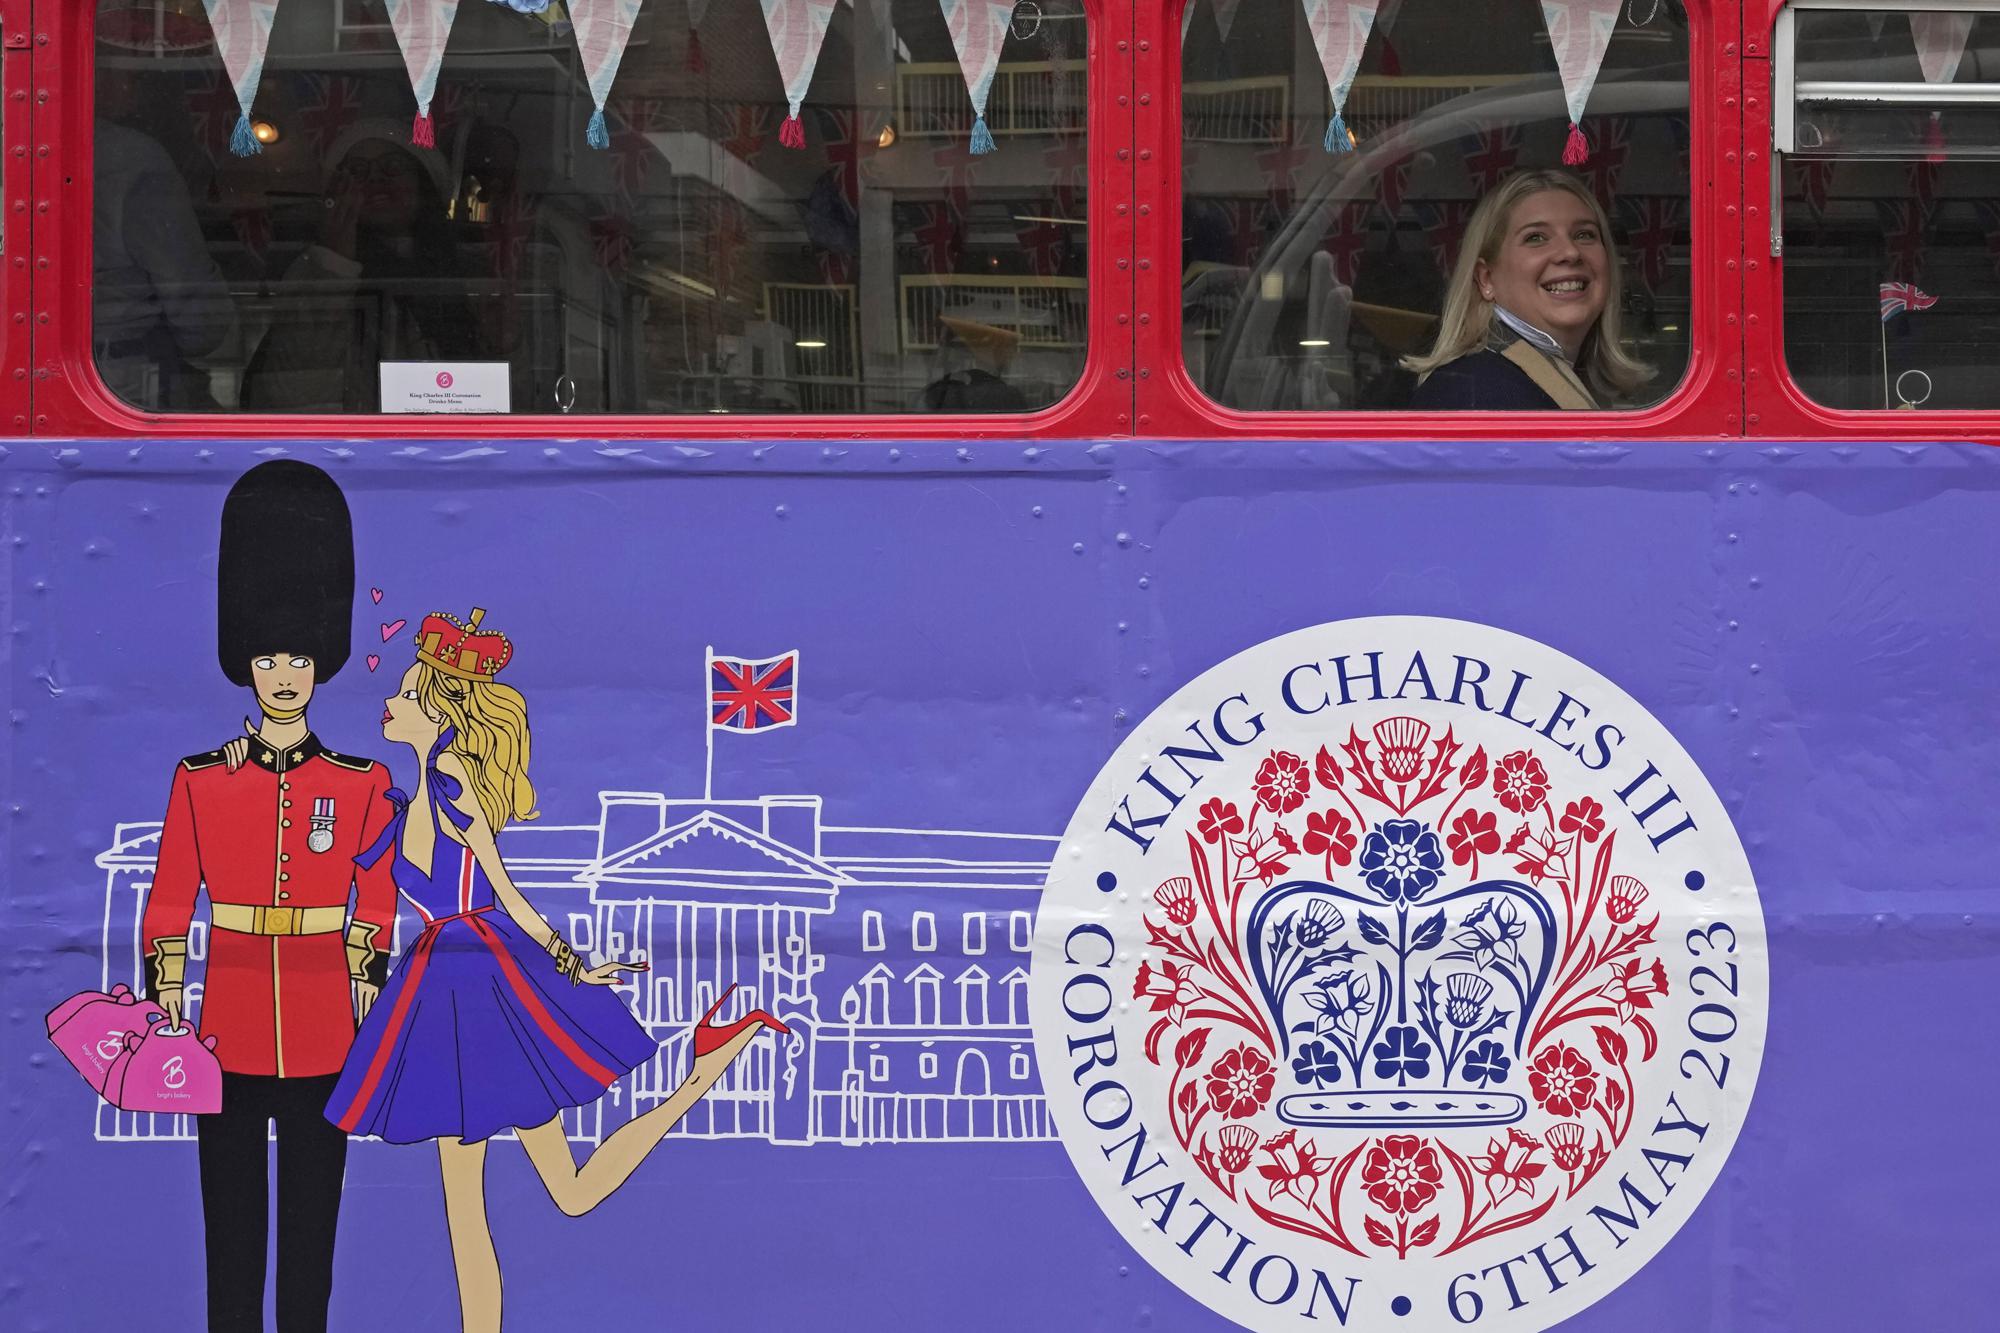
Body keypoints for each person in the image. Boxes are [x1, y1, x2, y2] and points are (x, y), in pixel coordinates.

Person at [240, 607, 783, 1333]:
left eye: (405, 693)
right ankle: (705, 1065)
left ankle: (699, 1074)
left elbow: (503, 887)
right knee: (473, 1208)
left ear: (439, 708)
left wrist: (572, 963)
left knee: (565, 1192)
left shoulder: (454, 780)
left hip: (488, 987)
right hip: (436, 991)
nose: (389, 702)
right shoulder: (406, 799)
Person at [140, 460, 397, 1333]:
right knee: (232, 1225)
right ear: (244, 664)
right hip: (228, 1023)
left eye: (298, 657)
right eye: (267, 657)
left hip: (325, 1026)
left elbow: (375, 895)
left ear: (318, 662)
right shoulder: (200, 780)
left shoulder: (360, 782)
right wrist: (169, 994)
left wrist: (365, 985)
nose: (284, 673)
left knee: (312, 1227)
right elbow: (171, 896)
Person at [242, 122, 484, 412]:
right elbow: (291, 398)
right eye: (357, 171)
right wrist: (334, 264)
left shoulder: (467, 272)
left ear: (423, 182)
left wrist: (510, 346)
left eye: (392, 167)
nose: (375, 179)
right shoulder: (313, 270)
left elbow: (509, 399)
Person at [1404, 168, 1650, 410]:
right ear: (1486, 279)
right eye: (1536, 238)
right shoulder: (1475, 393)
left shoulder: (1516, 379)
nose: (1570, 252)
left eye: (1584, 234)